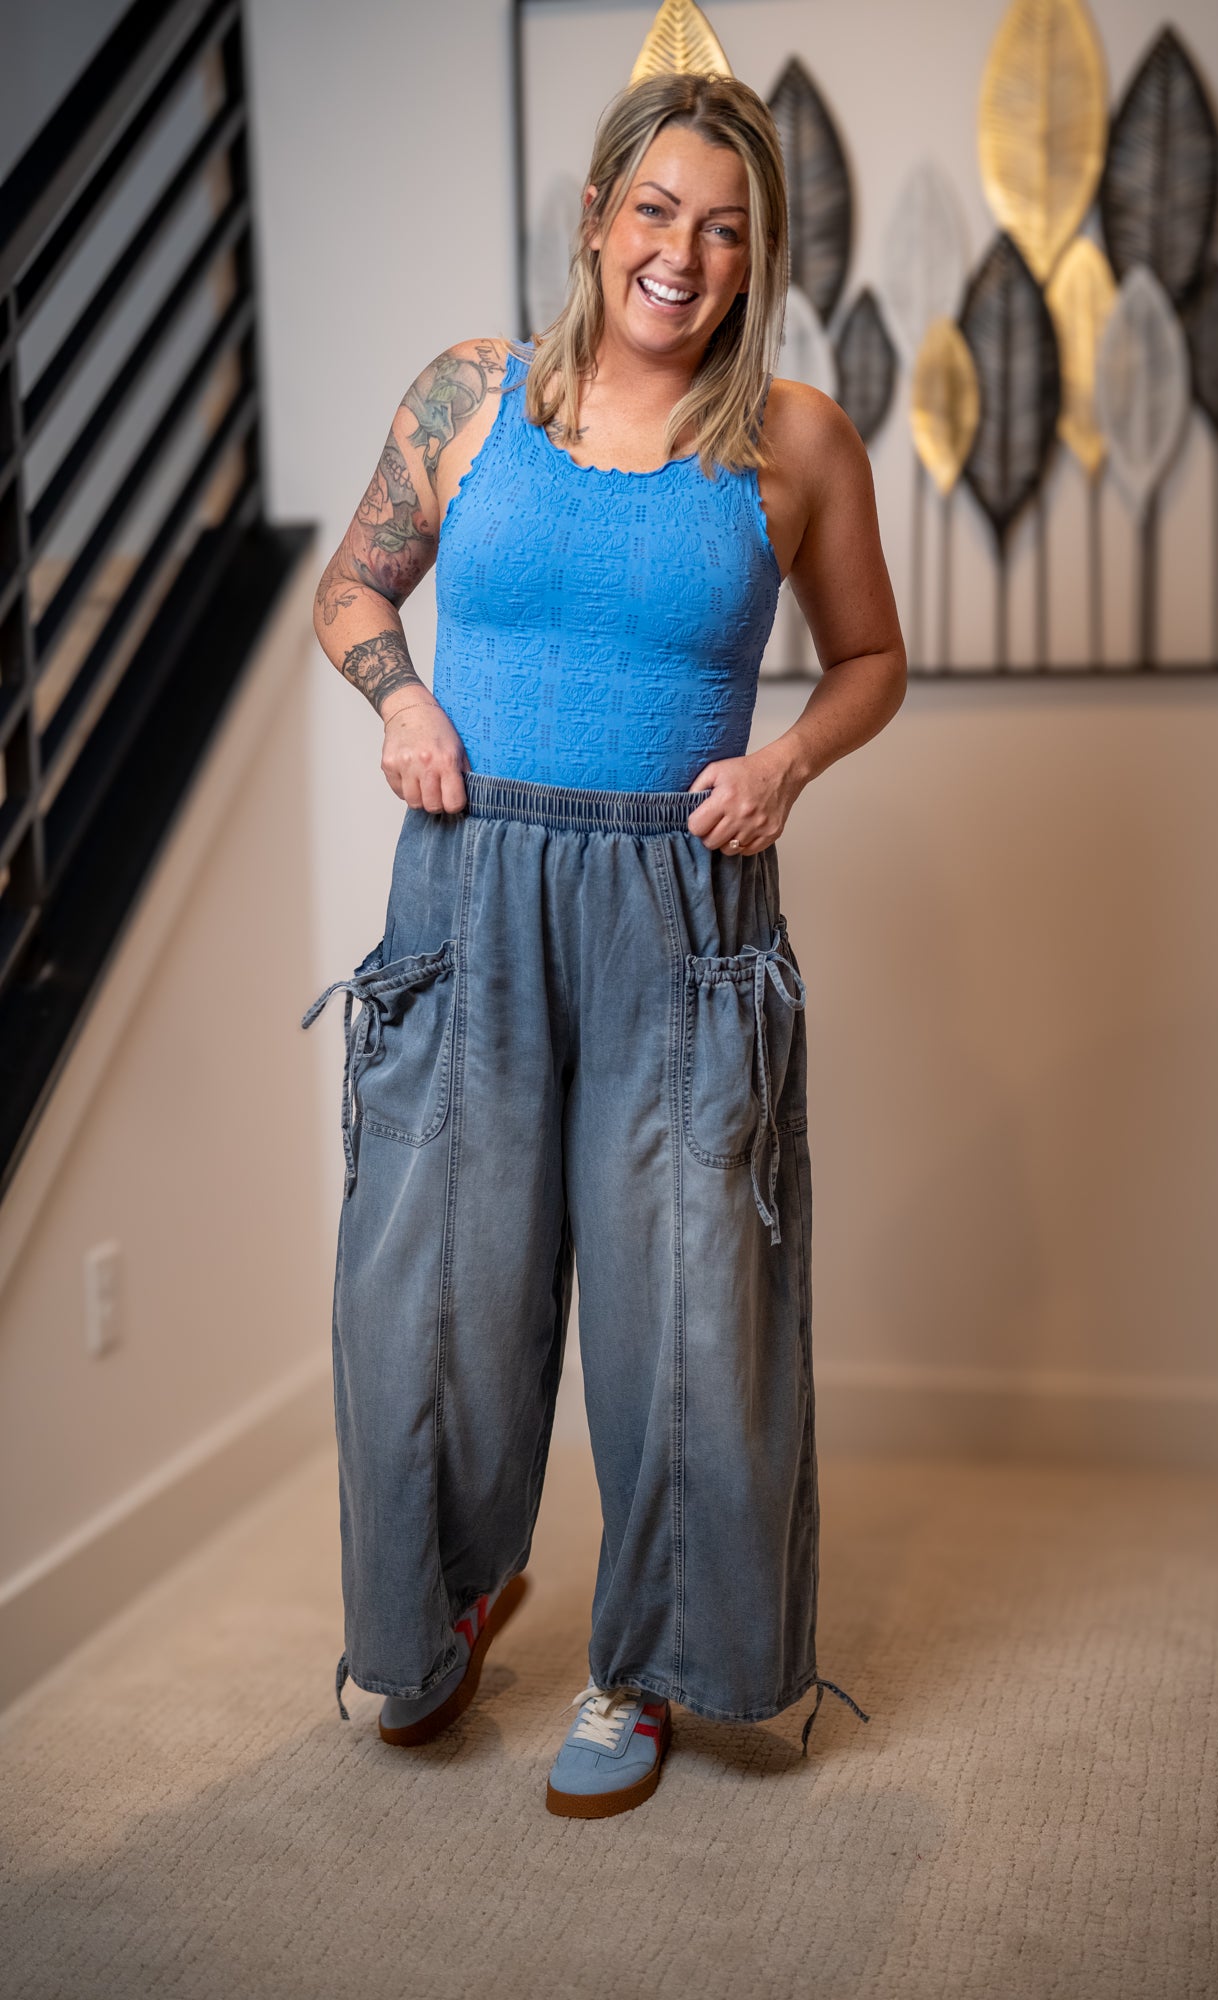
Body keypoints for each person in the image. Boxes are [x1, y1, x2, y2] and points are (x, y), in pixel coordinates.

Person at [301, 67, 906, 1820]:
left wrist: (785, 759)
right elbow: (352, 588)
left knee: (682, 1310)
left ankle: (638, 1666)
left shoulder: (793, 442)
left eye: (724, 229)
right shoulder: (470, 398)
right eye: (655, 213)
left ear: (757, 255)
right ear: (594, 217)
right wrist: (400, 698)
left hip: (680, 913)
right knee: (435, 1294)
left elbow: (868, 659)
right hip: (471, 890)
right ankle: (445, 1604)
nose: (682, 254)